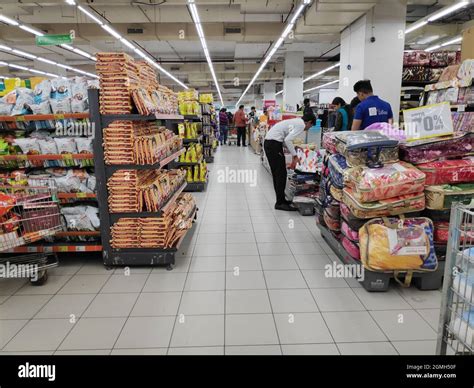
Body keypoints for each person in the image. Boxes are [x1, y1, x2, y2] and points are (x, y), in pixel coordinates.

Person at [264, 113, 316, 211]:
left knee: (278, 174)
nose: (308, 129)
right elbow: (288, 140)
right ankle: (280, 203)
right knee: (280, 174)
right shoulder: (301, 124)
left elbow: (285, 140)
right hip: (273, 145)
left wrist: (294, 148)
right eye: (310, 126)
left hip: (271, 143)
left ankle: (281, 200)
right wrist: (295, 156)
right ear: (309, 122)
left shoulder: (296, 121)